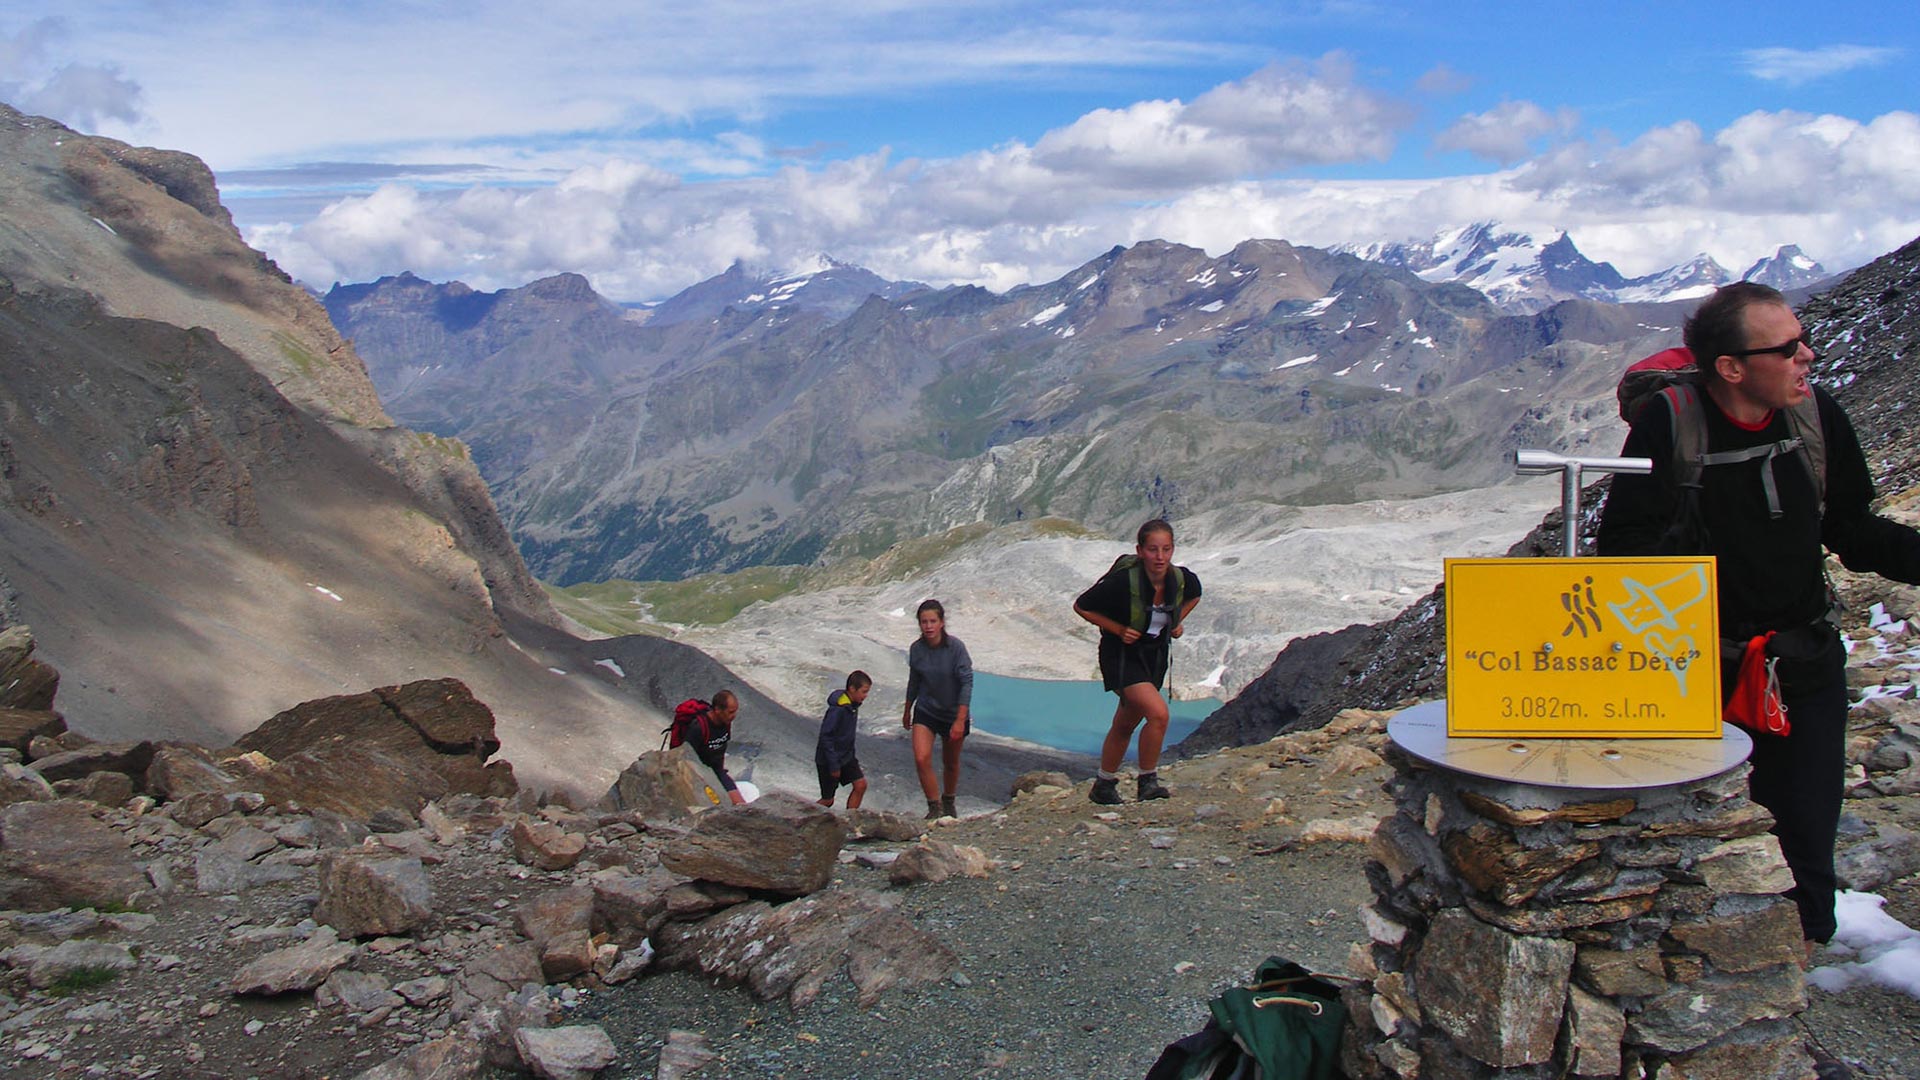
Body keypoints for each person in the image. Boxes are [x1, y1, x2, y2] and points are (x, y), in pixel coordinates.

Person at [1597, 282, 1920, 945]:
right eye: (1788, 348)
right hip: (1696, 674)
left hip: (1801, 665)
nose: (1807, 357)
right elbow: (1627, 553)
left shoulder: (1814, 416)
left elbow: (1853, 530)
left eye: (1804, 341)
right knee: (1684, 835)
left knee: (1804, 838)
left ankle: (1792, 984)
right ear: (1732, 368)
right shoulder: (1671, 423)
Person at [1073, 518, 1203, 804]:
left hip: (1153, 655)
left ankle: (1104, 785)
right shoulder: (1123, 582)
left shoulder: (1181, 579)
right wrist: (1118, 629)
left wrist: (1177, 619)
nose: (1160, 557)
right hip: (1121, 655)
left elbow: (1195, 594)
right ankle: (1148, 781)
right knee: (1158, 714)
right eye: (1153, 550)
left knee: (1126, 722)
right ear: (1140, 550)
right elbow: (1082, 605)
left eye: (1166, 549)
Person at [902, 599, 972, 820]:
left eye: (933, 621)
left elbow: (966, 682)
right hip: (926, 710)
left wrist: (960, 720)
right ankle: (934, 807)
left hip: (953, 714)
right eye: (924, 622)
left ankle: (949, 801)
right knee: (921, 758)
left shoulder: (956, 648)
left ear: (942, 622)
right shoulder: (916, 649)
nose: (928, 626)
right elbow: (914, 680)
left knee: (950, 763)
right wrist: (907, 709)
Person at [816, 670, 872, 809]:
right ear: (852, 689)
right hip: (829, 759)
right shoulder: (838, 709)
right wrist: (834, 765)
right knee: (828, 801)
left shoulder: (852, 705)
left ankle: (850, 820)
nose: (865, 696)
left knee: (860, 786)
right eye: (864, 692)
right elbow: (826, 736)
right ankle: (802, 815)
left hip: (846, 757)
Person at [684, 690, 747, 806]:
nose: (734, 716)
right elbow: (685, 756)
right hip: (700, 775)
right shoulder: (698, 728)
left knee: (741, 806)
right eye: (731, 712)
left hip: (717, 771)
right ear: (718, 710)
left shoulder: (725, 722)